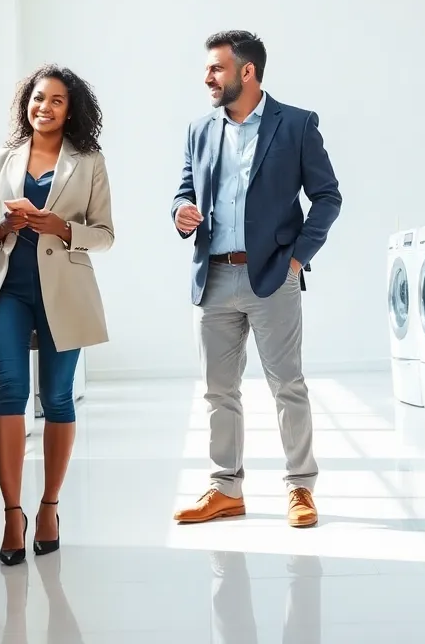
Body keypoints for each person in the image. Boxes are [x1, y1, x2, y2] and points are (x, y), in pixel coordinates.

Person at [170, 31, 342, 528]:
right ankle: (225, 489)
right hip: (214, 276)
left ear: (247, 72)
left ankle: (300, 489)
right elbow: (185, 187)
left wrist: (297, 259)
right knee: (217, 389)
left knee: (288, 384)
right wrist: (181, 209)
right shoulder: (199, 130)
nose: (207, 77)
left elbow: (327, 197)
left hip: (273, 276)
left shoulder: (297, 125)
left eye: (217, 68)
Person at [0, 64, 115, 566]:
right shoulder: (1, 159)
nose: (43, 108)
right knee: (9, 388)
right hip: (10, 289)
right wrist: (2, 226)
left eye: (55, 100)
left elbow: (105, 234)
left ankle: (49, 505)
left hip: (65, 291)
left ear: (70, 109)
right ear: (25, 104)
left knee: (55, 396)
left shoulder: (89, 162)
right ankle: (13, 514)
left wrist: (61, 227)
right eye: (37, 98)